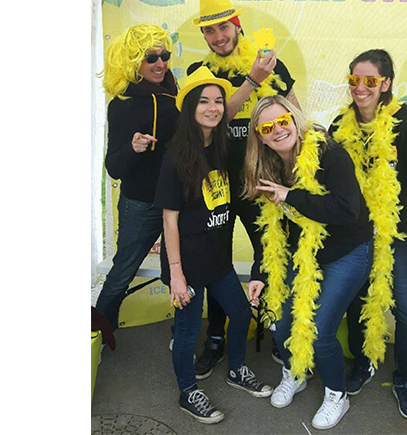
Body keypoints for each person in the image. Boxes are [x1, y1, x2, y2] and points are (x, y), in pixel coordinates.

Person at [185, 0, 302, 378]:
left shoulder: (272, 64)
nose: (219, 37)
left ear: (237, 26)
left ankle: (278, 334)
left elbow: (295, 118)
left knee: (271, 254)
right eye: (210, 30)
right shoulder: (198, 72)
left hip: (260, 183)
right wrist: (251, 81)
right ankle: (215, 339)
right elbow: (215, 123)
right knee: (214, 262)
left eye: (224, 27)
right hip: (215, 184)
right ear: (203, 34)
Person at [244, 95, 374, 430]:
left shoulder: (330, 154)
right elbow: (273, 231)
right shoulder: (269, 166)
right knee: (283, 322)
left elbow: (348, 211)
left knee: (321, 331)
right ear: (260, 135)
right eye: (268, 127)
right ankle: (295, 372)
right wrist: (260, 273)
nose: (278, 131)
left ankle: (336, 394)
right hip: (303, 252)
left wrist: (293, 196)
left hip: (347, 251)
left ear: (295, 117)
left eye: (283, 121)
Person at [154, 67, 273, 424]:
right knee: (189, 332)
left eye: (218, 101)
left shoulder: (222, 145)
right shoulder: (176, 156)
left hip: (216, 258)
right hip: (185, 263)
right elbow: (169, 220)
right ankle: (187, 391)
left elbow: (236, 111)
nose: (213, 107)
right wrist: (175, 274)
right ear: (190, 106)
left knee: (238, 314)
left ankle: (236, 369)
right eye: (203, 101)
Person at [328, 49, 407, 420]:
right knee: (358, 300)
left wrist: (405, 219)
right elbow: (326, 178)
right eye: (354, 79)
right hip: (354, 235)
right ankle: (363, 363)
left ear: (386, 84)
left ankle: (405, 378)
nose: (360, 87)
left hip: (394, 233)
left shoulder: (403, 124)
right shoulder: (340, 127)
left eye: (370, 81)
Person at [95, 24, 179, 333]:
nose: (160, 63)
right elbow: (113, 167)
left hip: (176, 202)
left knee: (178, 273)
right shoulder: (122, 105)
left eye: (164, 56)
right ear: (133, 63)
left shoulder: (175, 95)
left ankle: (181, 334)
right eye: (151, 58)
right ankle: (98, 336)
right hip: (140, 204)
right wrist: (132, 148)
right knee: (121, 274)